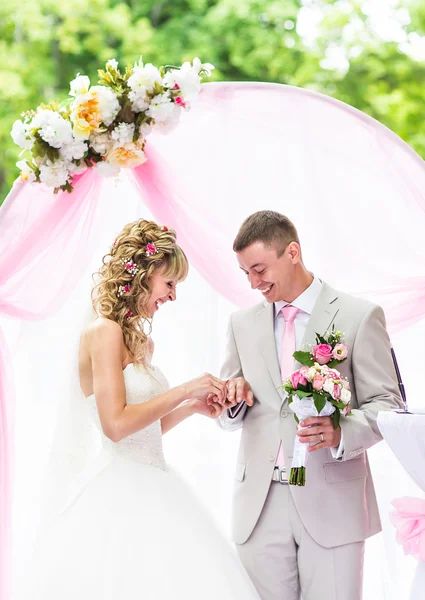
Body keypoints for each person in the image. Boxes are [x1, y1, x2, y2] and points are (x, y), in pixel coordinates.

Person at [14, 219, 260, 600]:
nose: (173, 296)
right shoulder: (103, 332)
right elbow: (115, 426)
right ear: (144, 276)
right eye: (170, 284)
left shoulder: (143, 343)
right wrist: (183, 390)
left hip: (157, 478)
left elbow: (145, 429)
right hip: (117, 487)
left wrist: (194, 406)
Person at [218, 210, 403, 600]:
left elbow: (387, 404)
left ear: (293, 252)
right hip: (259, 504)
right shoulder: (241, 323)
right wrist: (231, 399)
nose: (253, 283)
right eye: (245, 273)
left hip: (332, 500)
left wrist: (340, 431)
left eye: (259, 269)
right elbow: (227, 411)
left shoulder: (358, 316)